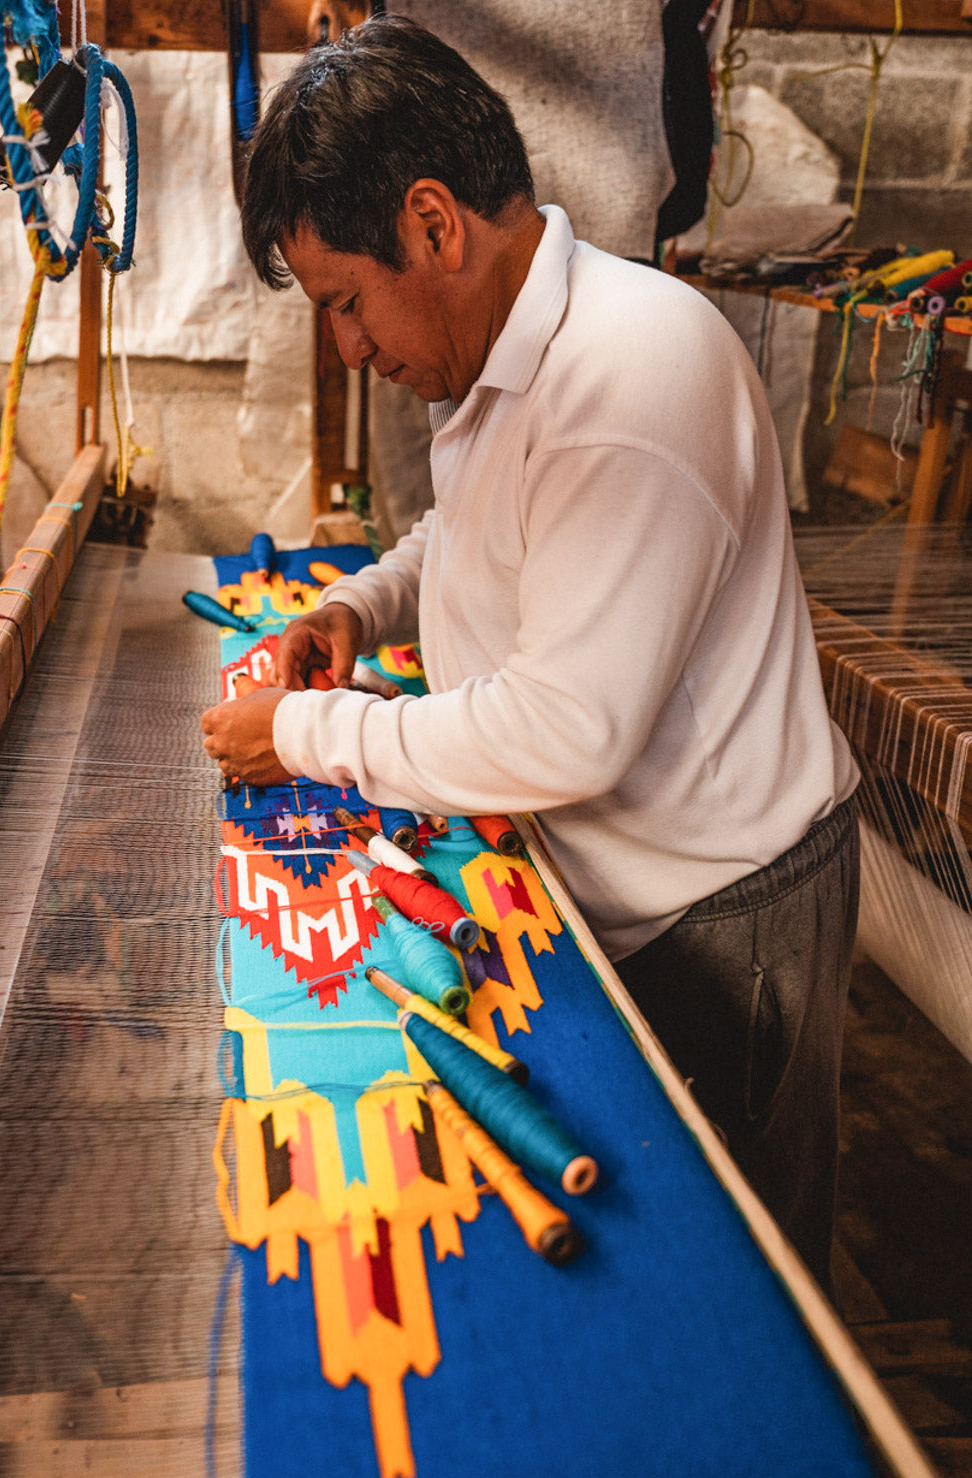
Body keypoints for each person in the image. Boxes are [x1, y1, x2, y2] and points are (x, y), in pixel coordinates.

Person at [200, 15, 859, 1291]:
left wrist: (300, 735)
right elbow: (476, 531)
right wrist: (362, 614)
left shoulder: (628, 377)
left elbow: (566, 729)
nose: (348, 346)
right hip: (640, 879)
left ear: (435, 224)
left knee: (740, 1302)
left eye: (346, 300)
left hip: (725, 914)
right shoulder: (521, 360)